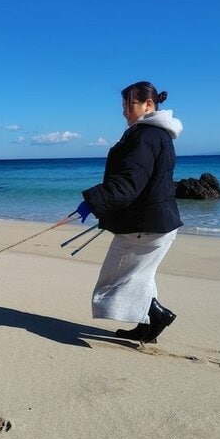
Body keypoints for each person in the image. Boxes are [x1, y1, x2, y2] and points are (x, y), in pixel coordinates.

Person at [73, 81, 183, 344]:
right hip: (155, 222)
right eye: (123, 104)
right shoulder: (158, 135)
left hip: (144, 226)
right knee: (139, 278)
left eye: (129, 103)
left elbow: (128, 184)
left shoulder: (145, 136)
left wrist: (93, 202)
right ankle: (146, 326)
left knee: (115, 282)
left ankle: (158, 316)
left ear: (148, 104)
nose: (124, 110)